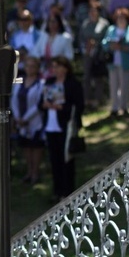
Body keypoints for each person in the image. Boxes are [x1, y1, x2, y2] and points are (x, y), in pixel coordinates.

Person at [40, 56, 84, 202]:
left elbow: (78, 106)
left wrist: (61, 107)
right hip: (51, 126)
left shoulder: (73, 84)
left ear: (65, 68)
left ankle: (68, 191)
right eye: (54, 67)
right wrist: (45, 105)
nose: (56, 70)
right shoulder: (49, 82)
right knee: (54, 159)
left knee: (67, 159)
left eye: (58, 66)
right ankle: (57, 191)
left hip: (66, 126)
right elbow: (41, 102)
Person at [11, 56, 45, 185]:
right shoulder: (19, 81)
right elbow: (14, 99)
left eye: (33, 66)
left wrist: (26, 118)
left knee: (35, 146)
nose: (30, 69)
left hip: (34, 120)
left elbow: (38, 104)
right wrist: (17, 117)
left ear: (37, 68)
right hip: (20, 119)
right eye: (28, 66)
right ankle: (29, 171)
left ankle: (36, 172)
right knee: (26, 145)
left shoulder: (40, 83)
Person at [102, 8, 129, 117]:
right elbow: (104, 43)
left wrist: (124, 47)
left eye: (123, 18)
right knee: (113, 86)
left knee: (125, 86)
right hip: (113, 63)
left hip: (126, 62)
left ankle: (124, 107)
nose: (121, 20)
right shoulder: (111, 29)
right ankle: (114, 108)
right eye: (119, 18)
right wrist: (111, 45)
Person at [78, 1, 110, 109]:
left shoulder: (104, 24)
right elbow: (81, 38)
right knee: (86, 76)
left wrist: (96, 44)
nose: (92, 13)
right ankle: (87, 99)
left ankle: (98, 99)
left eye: (94, 11)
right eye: (90, 11)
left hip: (99, 54)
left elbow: (107, 38)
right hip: (87, 53)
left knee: (98, 77)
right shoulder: (85, 23)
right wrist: (85, 47)